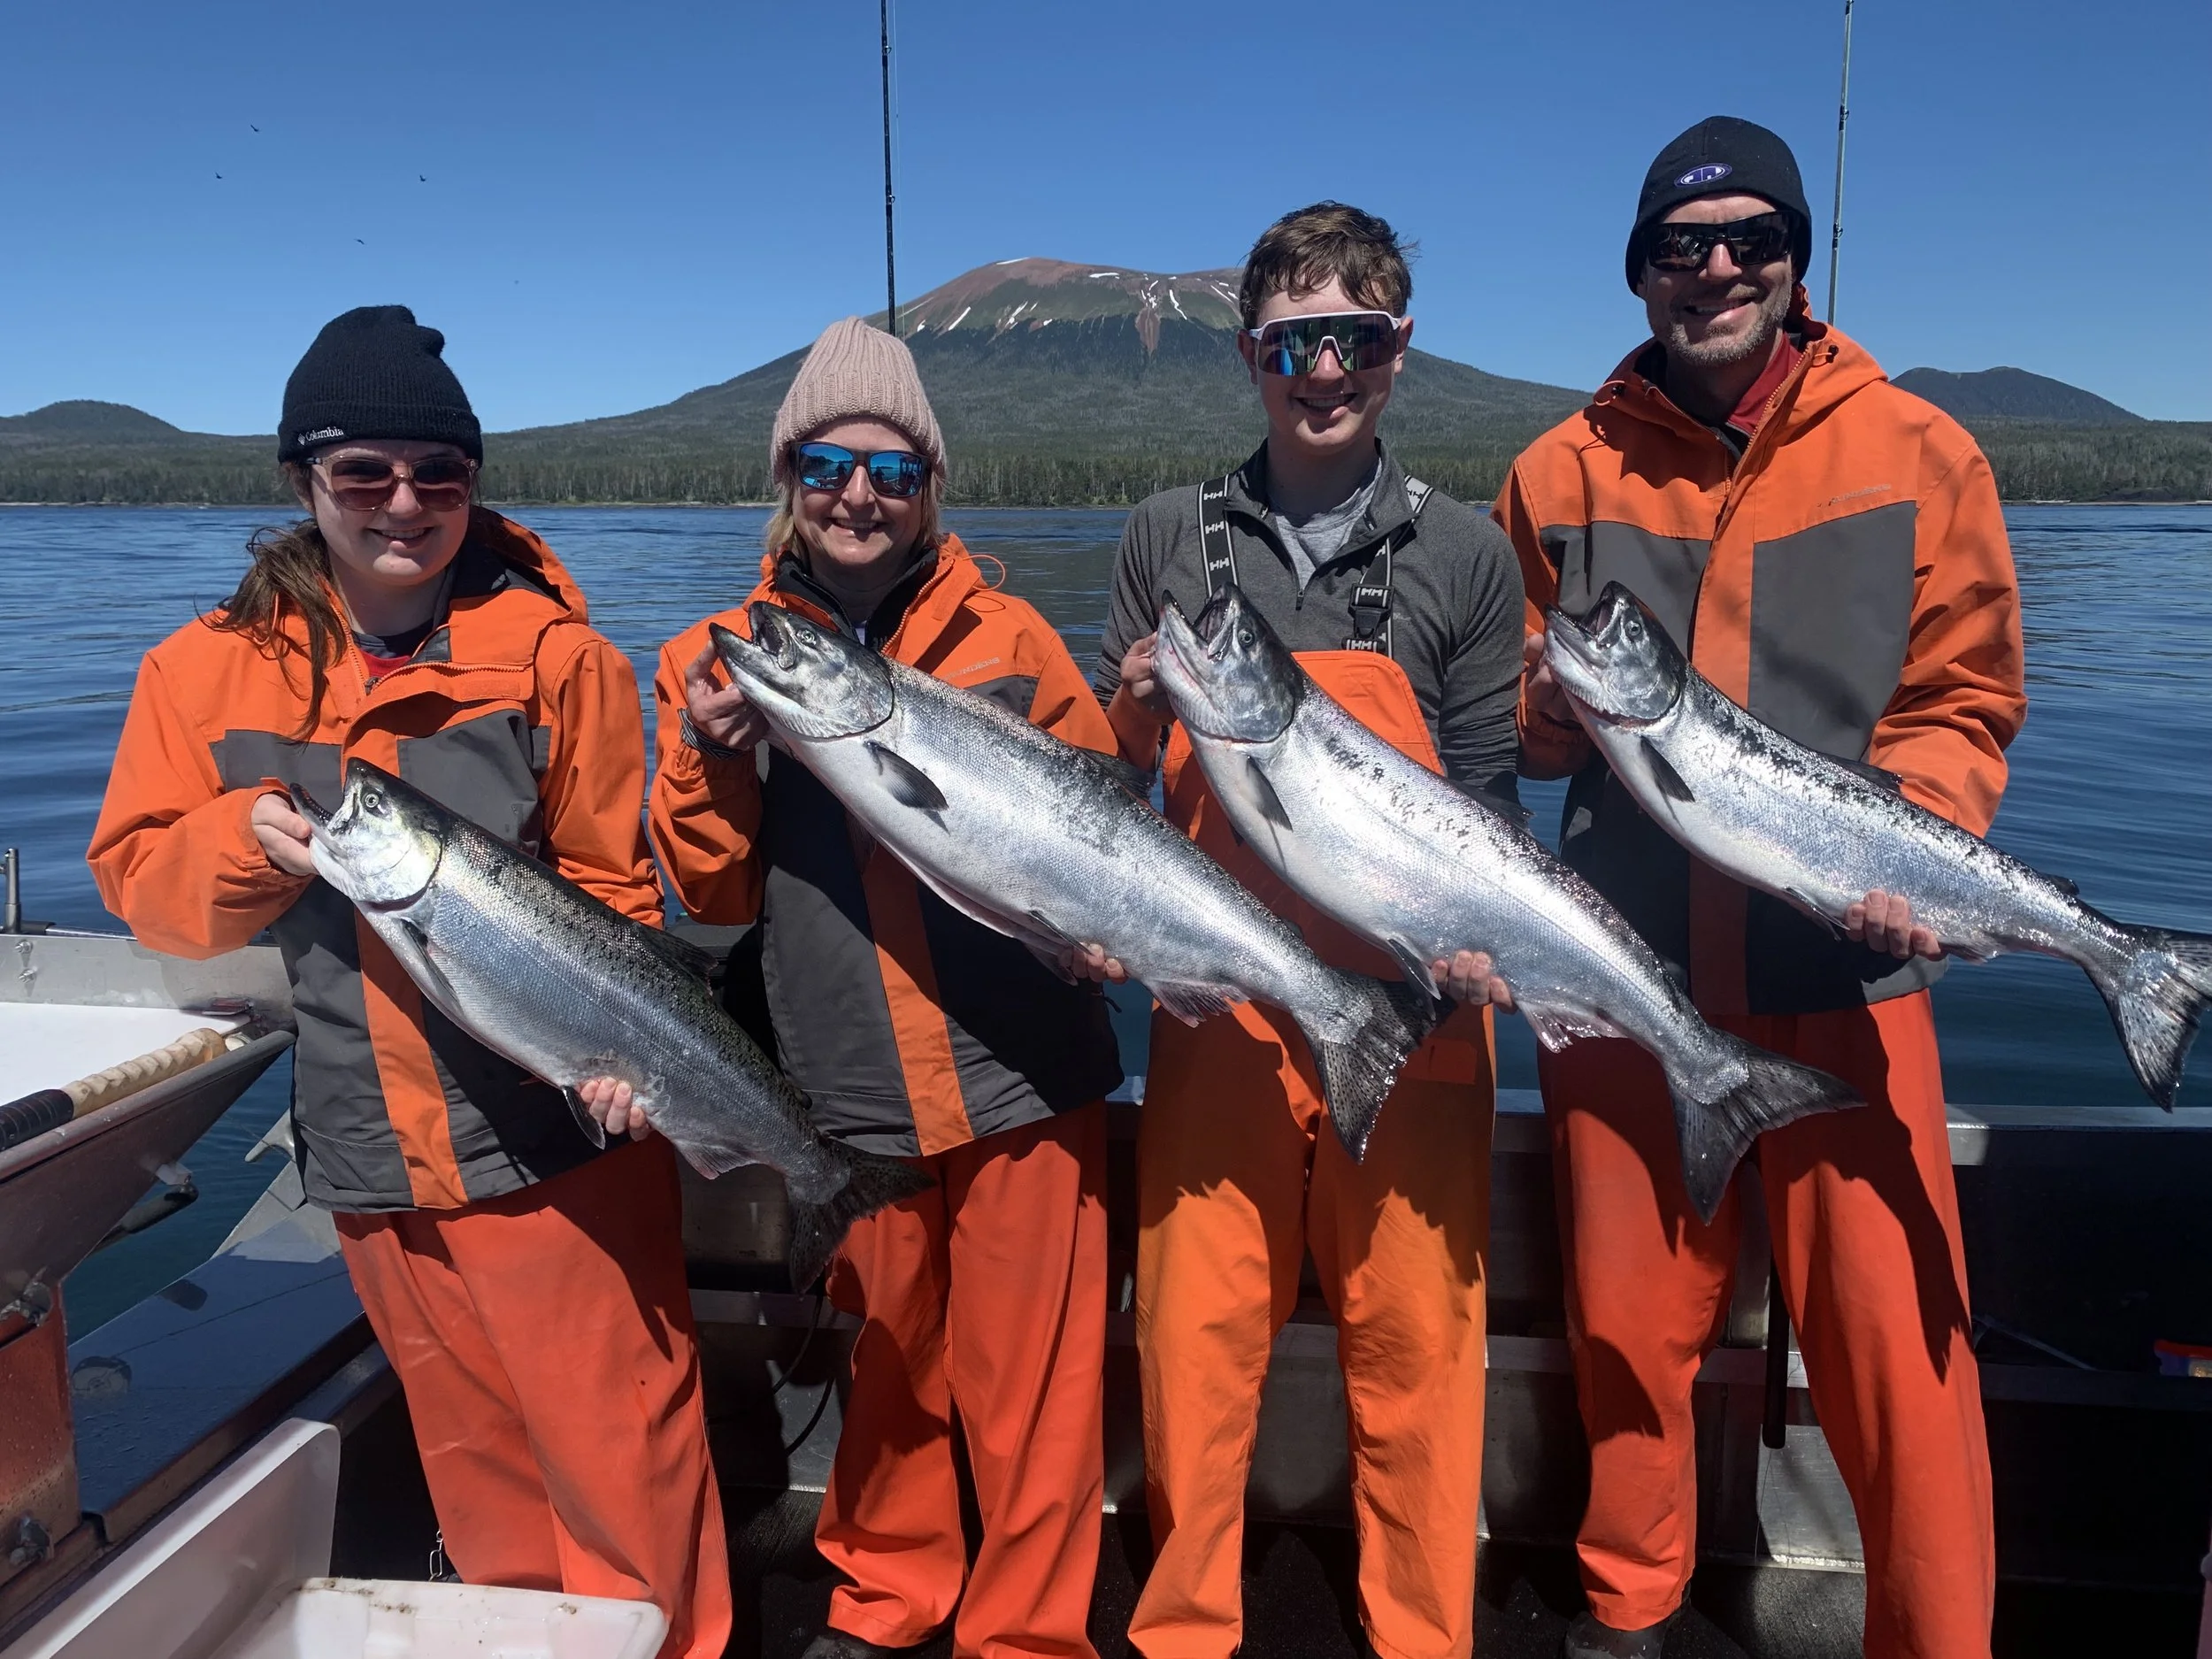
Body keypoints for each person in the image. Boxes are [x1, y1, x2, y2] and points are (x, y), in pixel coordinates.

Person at [87, 307, 731, 1659]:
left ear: (472, 485)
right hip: (370, 1157)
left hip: (556, 1154)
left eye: (440, 476)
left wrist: (630, 1067)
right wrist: (237, 844)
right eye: (363, 474)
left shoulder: (562, 659)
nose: (405, 505)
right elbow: (138, 877)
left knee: (629, 1472)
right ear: (301, 480)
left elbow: (615, 893)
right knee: (478, 1479)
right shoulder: (195, 670)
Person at [1501, 119, 2024, 1659]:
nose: (1716, 267)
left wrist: (1916, 832)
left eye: (1751, 240)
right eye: (1682, 244)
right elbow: (1523, 728)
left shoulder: (1924, 454)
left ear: (1797, 265)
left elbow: (1964, 695)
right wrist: (1546, 701)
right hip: (1617, 972)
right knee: (1621, 1337)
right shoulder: (1555, 471)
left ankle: (1940, 1640)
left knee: (1906, 1364)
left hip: (1850, 977)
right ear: (1641, 273)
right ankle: (1627, 1607)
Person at [643, 318, 1120, 1659]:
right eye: (827, 462)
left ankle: (1027, 1633)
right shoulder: (714, 657)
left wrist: (1105, 933)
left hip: (1025, 1069)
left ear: (930, 490)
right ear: (788, 477)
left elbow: (1105, 823)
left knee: (1039, 1384)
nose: (859, 494)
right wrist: (712, 758)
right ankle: (889, 1592)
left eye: (892, 469)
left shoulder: (1017, 635)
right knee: (891, 1360)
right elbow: (712, 899)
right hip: (848, 1083)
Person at [1094, 203, 1525, 1659]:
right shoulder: (1165, 537)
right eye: (1294, 342)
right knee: (1192, 1350)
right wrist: (1139, 708)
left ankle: (1422, 1636)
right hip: (1217, 1006)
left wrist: (1482, 947)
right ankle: (1182, 1632)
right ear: (1251, 353)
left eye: (1351, 338)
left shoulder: (1467, 556)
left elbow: (1485, 797)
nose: (1322, 369)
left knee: (1419, 1353)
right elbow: (1122, 796)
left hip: (1419, 1016)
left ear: (1398, 351)